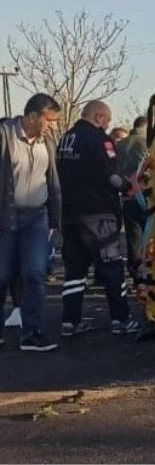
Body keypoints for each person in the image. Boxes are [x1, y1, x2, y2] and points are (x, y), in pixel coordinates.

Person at [56, 100, 140, 337]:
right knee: (112, 267)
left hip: (70, 214)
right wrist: (128, 188)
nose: (108, 125)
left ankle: (70, 321)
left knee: (75, 270)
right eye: (107, 120)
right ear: (97, 116)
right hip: (98, 214)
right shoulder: (99, 140)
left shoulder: (66, 139)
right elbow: (109, 174)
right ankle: (121, 319)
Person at [0, 93, 62, 351]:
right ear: (33, 116)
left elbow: (53, 179)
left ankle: (32, 333)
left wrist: (55, 217)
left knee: (35, 273)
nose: (52, 126)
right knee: (2, 274)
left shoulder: (47, 141)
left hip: (37, 217)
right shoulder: (5, 136)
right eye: (50, 120)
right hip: (5, 217)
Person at [115, 116, 148, 285]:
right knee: (149, 235)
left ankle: (135, 271)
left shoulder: (119, 145)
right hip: (146, 195)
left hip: (126, 195)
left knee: (133, 237)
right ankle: (148, 271)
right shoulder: (149, 143)